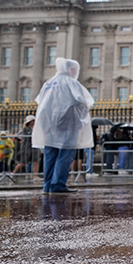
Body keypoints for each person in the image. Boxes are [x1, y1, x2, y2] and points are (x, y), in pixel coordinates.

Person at [32, 58, 95, 194]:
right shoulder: (71, 83)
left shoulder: (49, 83)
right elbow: (82, 102)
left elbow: (40, 102)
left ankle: (47, 185)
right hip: (66, 124)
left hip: (47, 124)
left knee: (50, 154)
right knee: (65, 153)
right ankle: (57, 184)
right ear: (71, 69)